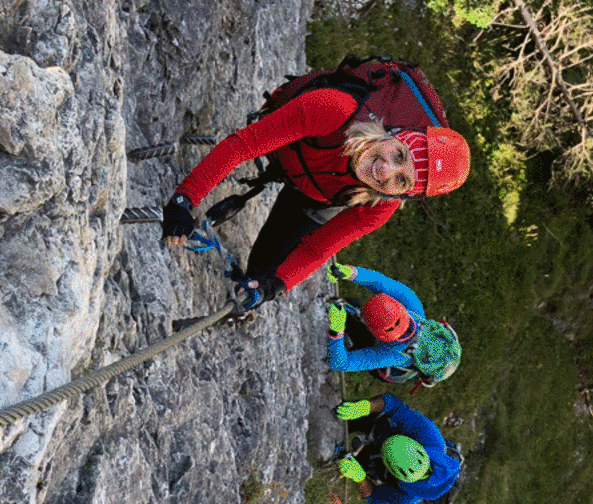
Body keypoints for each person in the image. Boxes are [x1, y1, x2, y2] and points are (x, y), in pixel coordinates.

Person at [159, 84, 470, 310]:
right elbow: (244, 146)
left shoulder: (379, 207)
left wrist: (275, 287)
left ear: (405, 194)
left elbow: (320, 248)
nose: (385, 170)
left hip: (315, 198)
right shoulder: (335, 111)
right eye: (399, 154)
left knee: (259, 281)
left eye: (402, 180)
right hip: (291, 152)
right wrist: (185, 199)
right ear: (395, 135)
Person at [325, 261, 457, 386]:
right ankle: (351, 322)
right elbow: (379, 282)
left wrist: (336, 330)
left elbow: (340, 363)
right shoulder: (412, 304)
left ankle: (351, 338)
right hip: (397, 349)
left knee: (359, 340)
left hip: (389, 370)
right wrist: (350, 272)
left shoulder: (392, 356)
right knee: (350, 306)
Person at [333, 394, 460, 504]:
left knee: (338, 458)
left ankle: (359, 455)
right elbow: (394, 406)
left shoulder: (405, 498)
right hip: (382, 427)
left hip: (376, 464)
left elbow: (374, 496)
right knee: (341, 413)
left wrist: (359, 476)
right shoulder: (431, 437)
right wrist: (365, 407)